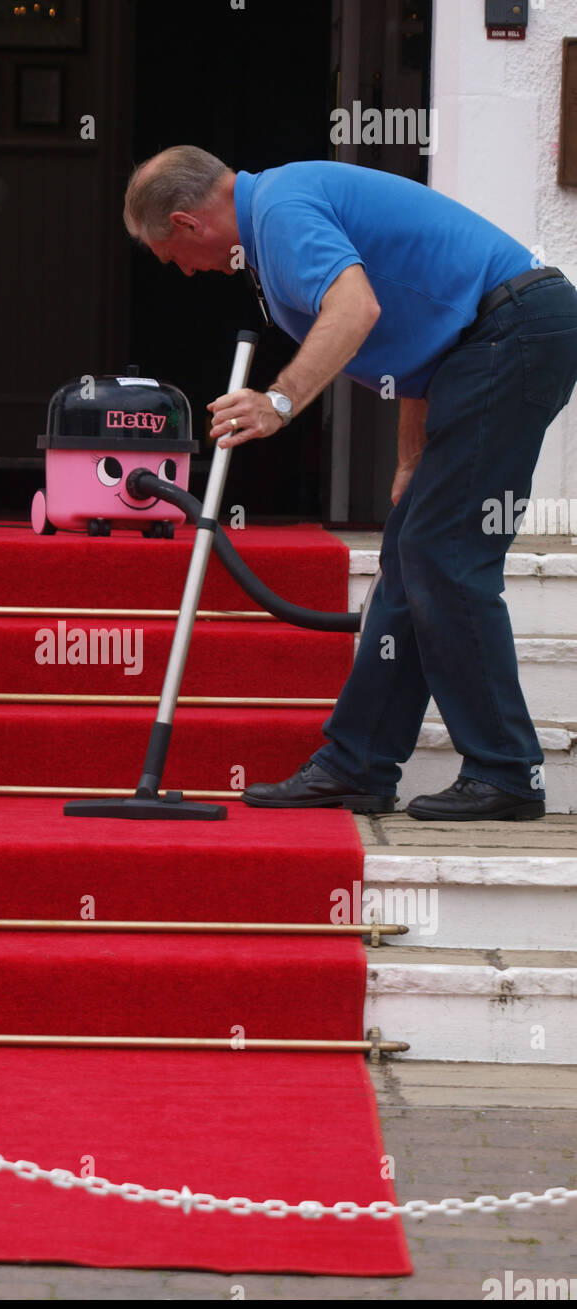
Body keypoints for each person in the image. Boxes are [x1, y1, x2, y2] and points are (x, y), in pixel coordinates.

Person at [123, 146, 577, 821]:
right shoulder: (277, 210)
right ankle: (356, 763)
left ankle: (505, 772)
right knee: (410, 552)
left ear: (188, 224)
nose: (185, 272)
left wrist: (276, 403)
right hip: (489, 342)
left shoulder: (277, 212)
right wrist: (409, 458)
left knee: (442, 554)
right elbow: (423, 338)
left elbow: (355, 308)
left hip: (512, 334)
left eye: (172, 256)